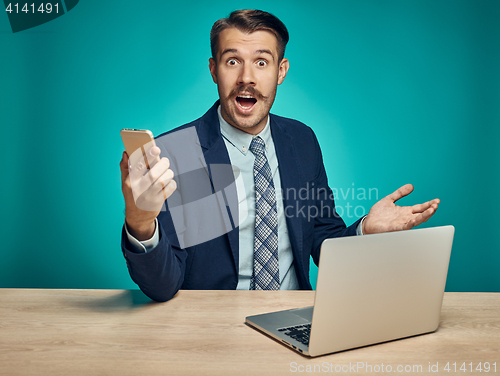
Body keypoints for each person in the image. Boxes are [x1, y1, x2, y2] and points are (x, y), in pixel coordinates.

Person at [119, 9, 440, 302]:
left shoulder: (301, 141)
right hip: (212, 328)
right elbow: (163, 286)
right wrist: (141, 224)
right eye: (232, 61)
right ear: (214, 69)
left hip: (293, 316)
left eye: (262, 62)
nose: (247, 77)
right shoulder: (177, 153)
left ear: (280, 71)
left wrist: (364, 231)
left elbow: (321, 238)